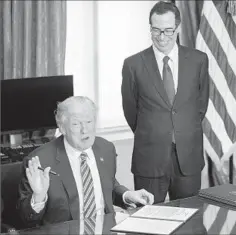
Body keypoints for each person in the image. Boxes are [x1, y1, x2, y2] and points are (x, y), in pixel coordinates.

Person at [17, 96, 154, 227]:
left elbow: (108, 186)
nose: (85, 130)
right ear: (62, 128)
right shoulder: (40, 160)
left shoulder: (106, 149)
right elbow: (26, 220)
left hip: (105, 228)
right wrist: (38, 197)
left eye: (89, 122)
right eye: (76, 124)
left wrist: (127, 195)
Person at [121, 1, 209, 203]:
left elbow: (200, 105)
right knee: (149, 223)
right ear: (150, 28)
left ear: (178, 28)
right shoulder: (133, 65)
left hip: (188, 158)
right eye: (156, 30)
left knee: (190, 222)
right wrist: (154, 131)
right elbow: (131, 110)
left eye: (168, 31)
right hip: (149, 158)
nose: (162, 37)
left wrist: (180, 129)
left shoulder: (199, 60)